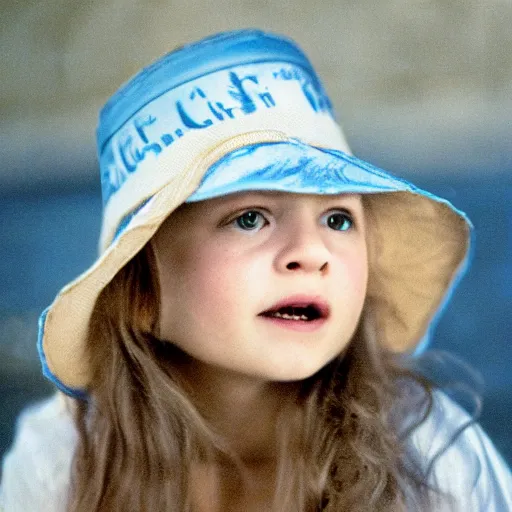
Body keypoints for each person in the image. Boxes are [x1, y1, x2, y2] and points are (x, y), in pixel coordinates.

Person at [1, 29, 511, 511]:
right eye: (250, 218)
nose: (311, 252)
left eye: (338, 218)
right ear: (142, 295)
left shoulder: (429, 456)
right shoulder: (60, 462)